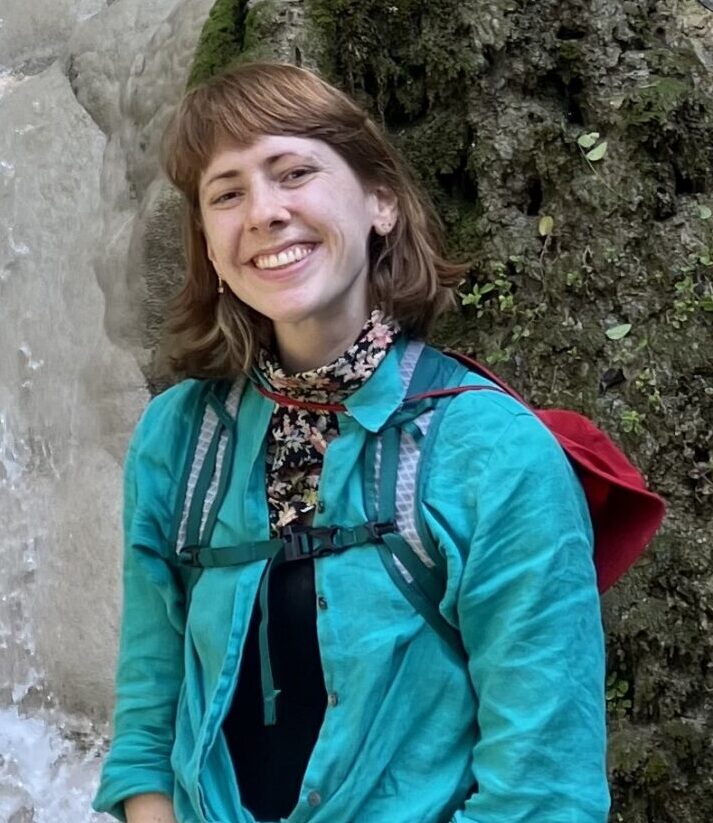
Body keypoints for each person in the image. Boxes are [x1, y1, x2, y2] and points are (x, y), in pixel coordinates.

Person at [93, 62, 609, 823]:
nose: (264, 212)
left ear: (381, 202)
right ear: (206, 240)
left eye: (293, 171)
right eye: (226, 192)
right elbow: (148, 714)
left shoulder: (491, 451)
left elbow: (543, 792)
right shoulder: (178, 438)